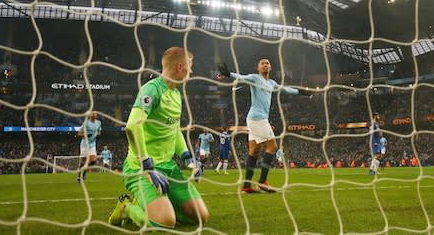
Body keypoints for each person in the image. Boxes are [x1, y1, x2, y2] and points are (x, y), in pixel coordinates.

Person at [108, 47, 209, 229]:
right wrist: (147, 165)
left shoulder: (177, 95)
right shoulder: (152, 90)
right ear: (180, 66)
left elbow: (175, 129)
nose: (192, 72)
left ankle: (162, 203)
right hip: (140, 169)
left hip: (168, 168)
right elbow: (132, 126)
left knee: (201, 217)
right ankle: (126, 208)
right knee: (165, 222)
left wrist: (188, 158)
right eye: (190, 66)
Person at [218, 59, 309, 193]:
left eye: (267, 63)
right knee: (273, 147)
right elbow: (242, 78)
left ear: (270, 67)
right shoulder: (254, 78)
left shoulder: (272, 83)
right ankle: (262, 182)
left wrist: (301, 92)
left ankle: (246, 185)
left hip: (255, 119)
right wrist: (229, 74)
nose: (265, 65)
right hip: (257, 118)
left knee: (254, 151)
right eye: (262, 63)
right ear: (258, 67)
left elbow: (286, 90)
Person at [76, 111, 101, 183]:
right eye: (93, 113)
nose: (94, 114)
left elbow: (99, 130)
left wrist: (98, 134)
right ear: (90, 115)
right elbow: (79, 133)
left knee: (93, 160)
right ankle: (79, 175)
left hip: (92, 144)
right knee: (83, 161)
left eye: (95, 113)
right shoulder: (86, 123)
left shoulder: (98, 122)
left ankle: (84, 172)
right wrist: (86, 135)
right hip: (84, 144)